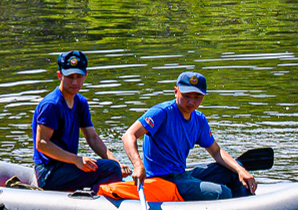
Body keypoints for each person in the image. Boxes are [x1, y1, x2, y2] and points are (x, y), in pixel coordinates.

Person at [123, 70, 255, 201]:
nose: (191, 102)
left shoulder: (199, 119)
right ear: (176, 91)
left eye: (197, 97)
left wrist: (240, 170)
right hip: (162, 179)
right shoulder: (161, 113)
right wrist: (138, 165)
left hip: (181, 175)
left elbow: (216, 151)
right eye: (186, 96)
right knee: (222, 193)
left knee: (234, 170)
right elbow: (129, 135)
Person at [31, 50, 122, 192]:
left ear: (86, 75)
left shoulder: (80, 102)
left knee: (113, 166)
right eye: (69, 77)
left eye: (78, 77)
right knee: (111, 169)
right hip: (49, 173)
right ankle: (98, 201)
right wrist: (76, 160)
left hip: (68, 166)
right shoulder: (51, 105)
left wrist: (116, 161)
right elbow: (42, 144)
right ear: (59, 75)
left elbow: (92, 138)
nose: (74, 82)